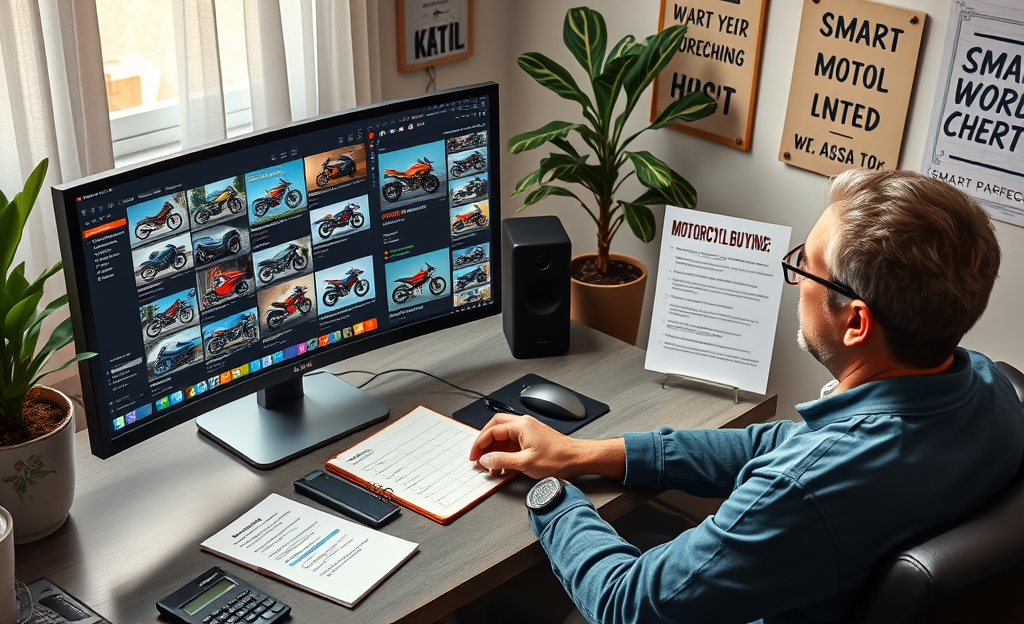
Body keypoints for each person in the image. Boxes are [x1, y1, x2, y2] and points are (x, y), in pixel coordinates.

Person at [469, 169, 1024, 624]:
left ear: (856, 322)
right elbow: (787, 443)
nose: (799, 273)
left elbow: (626, 605)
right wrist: (586, 453)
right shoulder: (988, 385)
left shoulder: (807, 485)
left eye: (809, 264)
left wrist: (551, 494)